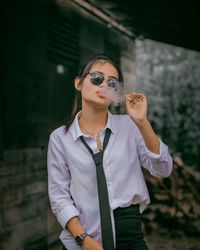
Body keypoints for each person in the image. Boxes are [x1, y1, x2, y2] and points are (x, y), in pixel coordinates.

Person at [47, 54, 173, 250]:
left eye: (112, 83)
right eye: (97, 78)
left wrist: (142, 122)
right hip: (82, 236)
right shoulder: (60, 138)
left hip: (129, 235)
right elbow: (59, 196)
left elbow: (163, 168)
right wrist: (83, 240)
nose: (104, 85)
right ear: (78, 83)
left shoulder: (130, 127)